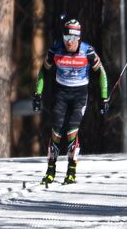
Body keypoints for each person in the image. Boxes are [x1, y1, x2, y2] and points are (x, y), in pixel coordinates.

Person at [32, 18, 108, 185]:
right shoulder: (55, 50)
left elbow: (101, 73)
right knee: (56, 131)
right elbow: (43, 71)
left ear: (78, 37)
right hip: (61, 94)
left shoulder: (87, 52)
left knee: (72, 131)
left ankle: (71, 172)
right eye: (66, 38)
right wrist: (37, 93)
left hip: (80, 94)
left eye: (73, 39)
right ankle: (50, 171)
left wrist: (104, 97)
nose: (69, 43)